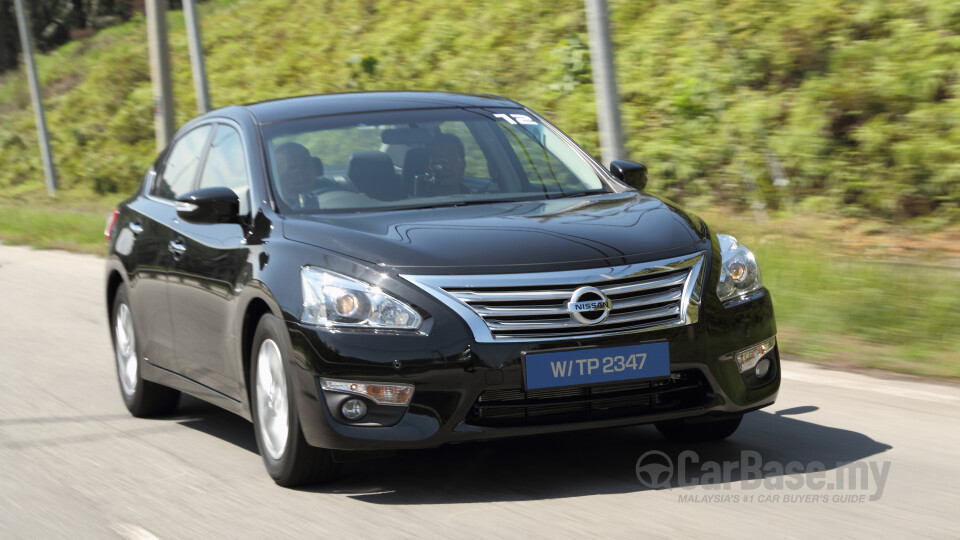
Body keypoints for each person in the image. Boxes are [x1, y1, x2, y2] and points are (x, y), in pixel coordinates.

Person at [274, 142, 319, 208]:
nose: (301, 172)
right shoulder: (272, 207)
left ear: (315, 168)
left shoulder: (331, 190)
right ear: (276, 174)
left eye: (305, 165)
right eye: (292, 168)